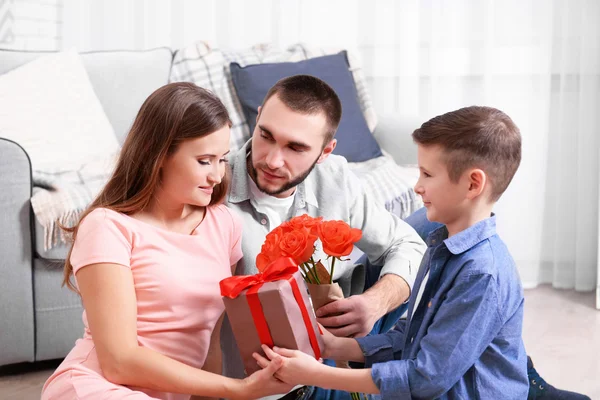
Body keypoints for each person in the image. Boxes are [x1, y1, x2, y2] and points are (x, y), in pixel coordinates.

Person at [254, 105, 530, 399]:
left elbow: (424, 378)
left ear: (473, 184)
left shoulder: (481, 273)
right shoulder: (442, 245)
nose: (417, 187)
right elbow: (412, 336)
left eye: (426, 174)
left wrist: (314, 373)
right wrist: (333, 347)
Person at [41, 82, 292, 400]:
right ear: (158, 155)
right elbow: (119, 362)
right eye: (204, 161)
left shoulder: (223, 224)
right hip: (99, 387)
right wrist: (238, 389)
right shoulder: (107, 227)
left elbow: (209, 343)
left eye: (222, 160)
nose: (216, 176)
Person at [221, 74, 427, 399]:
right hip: (272, 380)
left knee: (435, 227)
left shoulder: (336, 178)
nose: (273, 160)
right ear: (257, 117)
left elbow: (409, 244)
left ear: (325, 152)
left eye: (296, 147)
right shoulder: (211, 185)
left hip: (336, 344)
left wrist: (374, 304)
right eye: (266, 136)